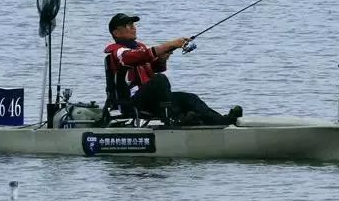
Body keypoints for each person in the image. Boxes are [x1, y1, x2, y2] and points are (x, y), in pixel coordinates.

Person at [104, 13, 243, 126]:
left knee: (189, 98)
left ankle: (220, 121)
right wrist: (171, 44)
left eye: (133, 24)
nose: (133, 28)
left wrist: (163, 58)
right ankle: (173, 119)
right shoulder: (117, 51)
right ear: (116, 32)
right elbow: (137, 58)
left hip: (151, 99)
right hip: (131, 102)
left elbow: (153, 66)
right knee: (160, 80)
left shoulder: (139, 47)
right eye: (128, 25)